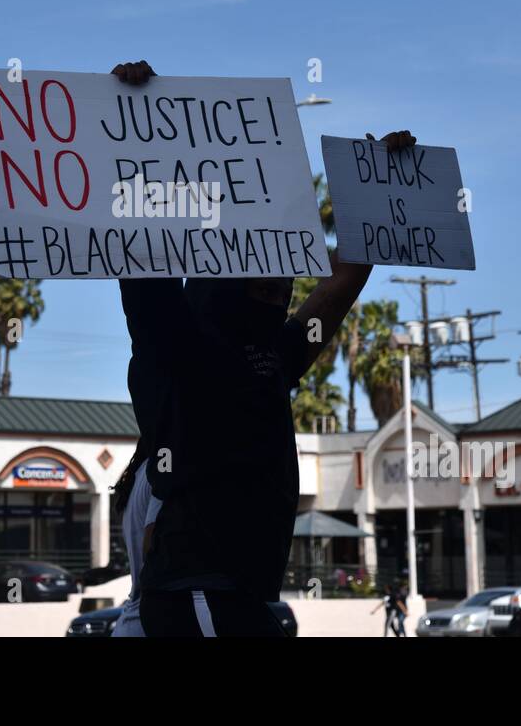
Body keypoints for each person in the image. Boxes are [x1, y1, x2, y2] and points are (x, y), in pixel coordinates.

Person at [110, 59, 415, 637]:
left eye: (286, 263)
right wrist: (131, 116)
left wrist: (375, 186)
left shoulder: (272, 357)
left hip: (241, 593)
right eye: (262, 261)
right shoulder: (178, 347)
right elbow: (143, 261)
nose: (283, 277)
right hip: (197, 593)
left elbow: (345, 279)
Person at [110, 441, 162, 637]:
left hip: (131, 621)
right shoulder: (162, 473)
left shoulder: (142, 470)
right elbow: (151, 546)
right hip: (148, 622)